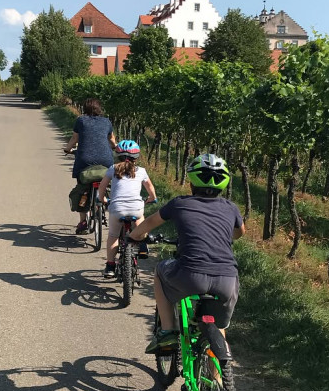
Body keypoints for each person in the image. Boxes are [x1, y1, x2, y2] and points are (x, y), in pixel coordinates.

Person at [129, 154, 245, 353]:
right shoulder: (231, 208)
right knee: (219, 327)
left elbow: (149, 223)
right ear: (223, 186)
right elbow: (239, 233)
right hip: (228, 280)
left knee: (159, 271)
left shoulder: (179, 203)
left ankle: (168, 332)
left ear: (191, 183)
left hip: (190, 275)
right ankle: (220, 379)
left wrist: (134, 236)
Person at [96, 140, 157, 278]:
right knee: (141, 221)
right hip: (136, 207)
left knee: (113, 235)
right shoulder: (141, 171)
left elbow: (102, 187)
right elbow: (150, 188)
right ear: (136, 158)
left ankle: (110, 266)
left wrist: (102, 199)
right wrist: (152, 198)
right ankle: (142, 245)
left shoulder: (112, 169)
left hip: (117, 208)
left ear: (118, 156)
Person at [63, 98, 116, 234]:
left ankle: (83, 222)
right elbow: (111, 140)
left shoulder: (81, 121)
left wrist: (67, 149)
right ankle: (104, 203)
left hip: (85, 160)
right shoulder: (107, 122)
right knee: (107, 181)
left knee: (82, 185)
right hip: (105, 160)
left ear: (84, 108)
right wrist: (115, 147)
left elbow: (75, 139)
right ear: (100, 109)